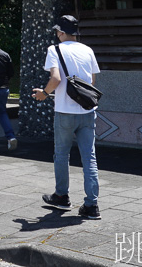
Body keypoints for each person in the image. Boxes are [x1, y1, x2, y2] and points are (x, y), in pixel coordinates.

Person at [32, 14, 101, 219]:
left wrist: (43, 94)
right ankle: (92, 206)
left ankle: (62, 197)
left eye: (57, 31)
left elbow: (55, 78)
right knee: (89, 157)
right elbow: (92, 82)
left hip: (64, 112)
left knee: (61, 155)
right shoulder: (88, 50)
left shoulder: (54, 50)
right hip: (88, 111)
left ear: (61, 32)